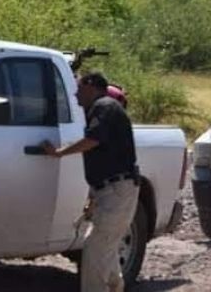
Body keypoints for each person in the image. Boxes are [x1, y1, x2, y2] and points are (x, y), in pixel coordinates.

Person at [42, 72, 139, 292]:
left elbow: (93, 140)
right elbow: (105, 155)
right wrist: (94, 197)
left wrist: (59, 153)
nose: (75, 94)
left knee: (95, 250)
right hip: (113, 189)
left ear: (91, 86)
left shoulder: (104, 106)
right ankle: (115, 287)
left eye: (78, 88)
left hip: (116, 189)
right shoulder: (107, 108)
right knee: (105, 246)